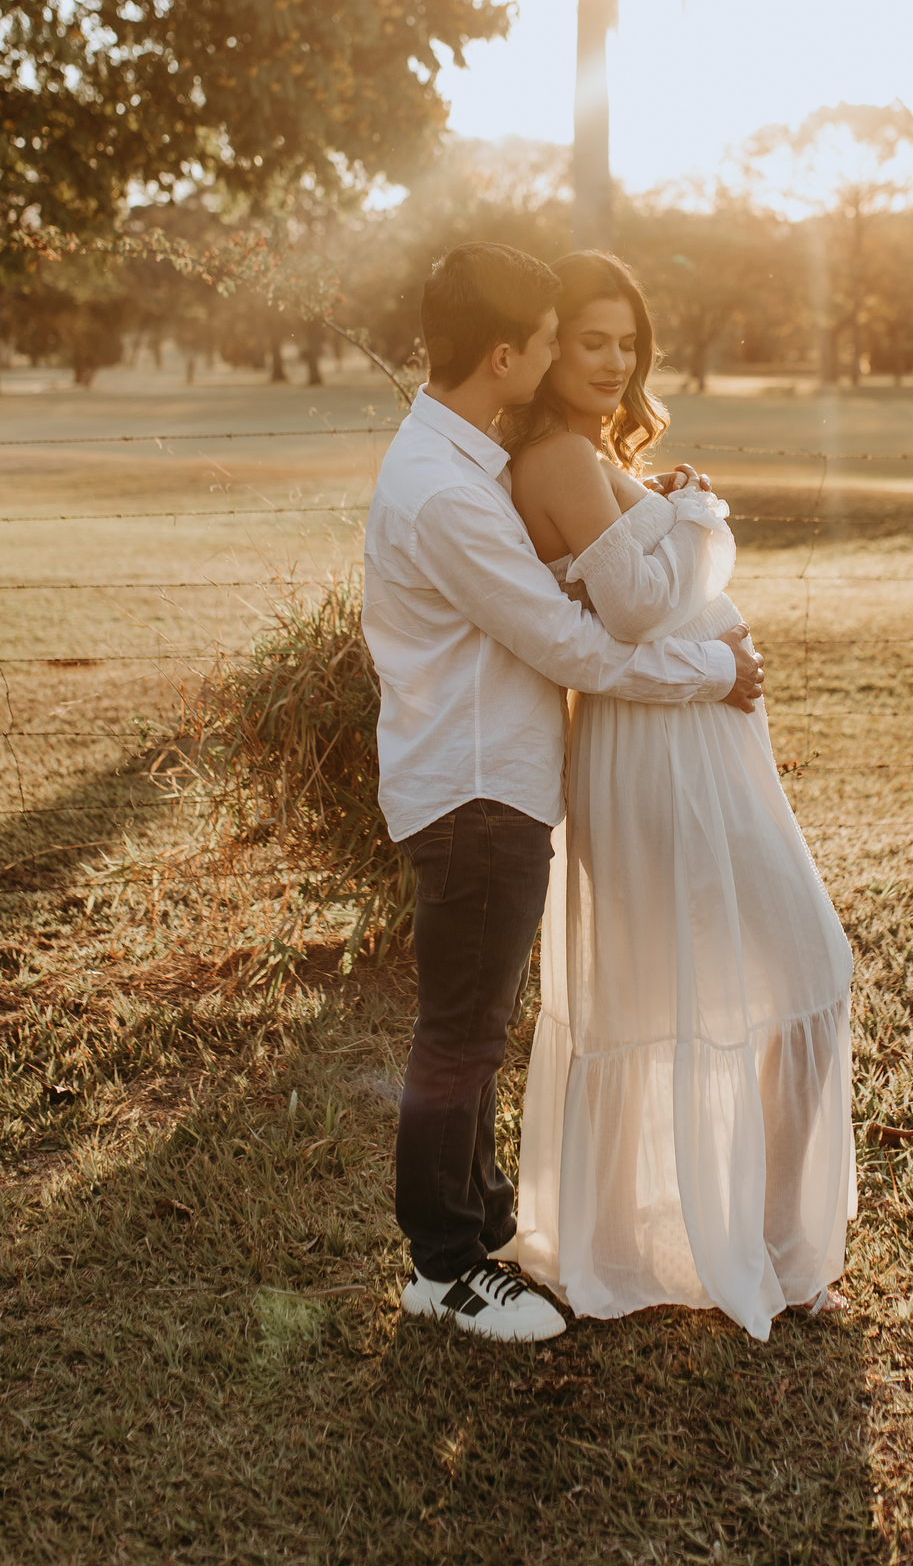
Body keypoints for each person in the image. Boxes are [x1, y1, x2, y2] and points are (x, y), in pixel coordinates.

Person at [360, 242, 766, 1345]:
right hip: (473, 790)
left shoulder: (465, 460)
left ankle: (484, 1228)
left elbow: (557, 570)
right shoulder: (445, 493)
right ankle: (444, 1269)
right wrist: (710, 671)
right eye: (548, 342)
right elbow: (567, 643)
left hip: (491, 782)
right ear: (504, 355)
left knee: (478, 1025)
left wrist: (644, 509)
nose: (557, 360)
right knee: (462, 1031)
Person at [505, 252, 856, 1342]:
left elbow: (634, 583)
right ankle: (772, 1251)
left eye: (628, 342)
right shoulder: (560, 455)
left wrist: (660, 503)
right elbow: (635, 608)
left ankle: (742, 1241)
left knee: (705, 980)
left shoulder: (592, 453)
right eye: (591, 340)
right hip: (659, 745)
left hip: (687, 737)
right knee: (803, 961)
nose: (614, 361)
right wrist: (697, 511)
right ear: (547, 347)